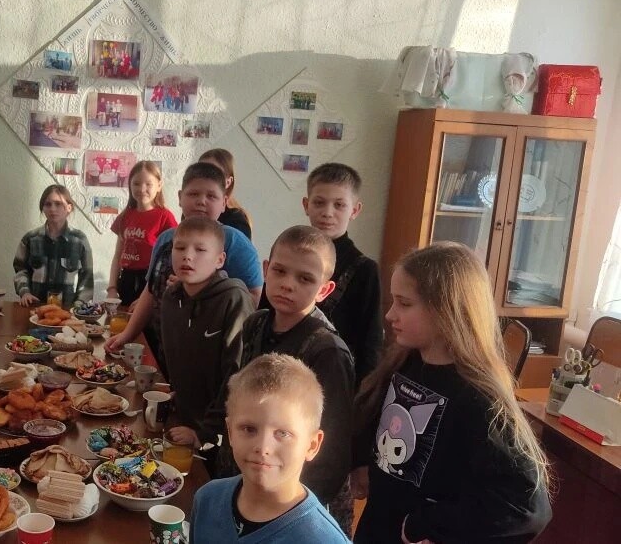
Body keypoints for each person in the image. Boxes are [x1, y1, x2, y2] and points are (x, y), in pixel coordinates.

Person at [353, 242, 552, 543]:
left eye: (404, 304)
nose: (391, 315)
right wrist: (361, 460)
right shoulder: (405, 361)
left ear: (447, 311)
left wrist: (426, 524)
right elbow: (373, 412)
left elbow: (526, 507)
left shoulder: (478, 399)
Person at [221, 226, 355, 529]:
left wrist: (284, 510)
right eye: (280, 271)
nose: (287, 284)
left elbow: (332, 452)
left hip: (297, 505)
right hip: (252, 480)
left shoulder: (327, 351)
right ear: (266, 270)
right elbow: (236, 391)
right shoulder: (255, 324)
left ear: (324, 290)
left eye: (305, 279)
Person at [106, 162, 263, 375]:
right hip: (165, 345)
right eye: (193, 194)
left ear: (224, 202)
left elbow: (253, 299)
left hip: (210, 355)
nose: (201, 201)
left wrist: (201, 290)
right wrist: (127, 334)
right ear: (180, 197)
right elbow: (150, 291)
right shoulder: (166, 239)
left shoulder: (236, 243)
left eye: (211, 196)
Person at [190, 354, 350, 543]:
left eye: (283, 433)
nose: (263, 447)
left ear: (312, 445)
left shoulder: (324, 540)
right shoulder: (207, 500)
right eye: (249, 429)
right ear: (230, 432)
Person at [158, 217, 253, 455]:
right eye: (180, 248)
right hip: (182, 418)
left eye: (200, 250)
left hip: (218, 435)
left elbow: (238, 376)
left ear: (220, 260)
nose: (187, 256)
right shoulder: (171, 298)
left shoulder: (233, 299)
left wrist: (205, 433)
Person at [303, 163, 383, 385]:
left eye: (339, 205)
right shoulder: (288, 253)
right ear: (306, 205)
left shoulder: (365, 269)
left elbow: (371, 344)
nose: (327, 213)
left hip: (335, 379)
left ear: (355, 210)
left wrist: (363, 395)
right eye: (319, 202)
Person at [106, 161, 177, 305]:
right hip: (126, 279)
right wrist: (112, 288)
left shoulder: (165, 217)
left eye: (148, 184)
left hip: (150, 281)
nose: (142, 189)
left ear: (159, 185)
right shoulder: (125, 216)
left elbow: (171, 258)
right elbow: (118, 255)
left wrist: (151, 293)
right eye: (136, 183)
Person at [13, 184, 94, 307]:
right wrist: (25, 292)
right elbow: (20, 269)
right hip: (35, 307)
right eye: (48, 204)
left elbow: (87, 277)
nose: (52, 209)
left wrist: (79, 304)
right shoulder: (30, 239)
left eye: (58, 204)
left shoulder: (79, 240)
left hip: (67, 309)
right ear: (43, 208)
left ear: (69, 208)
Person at [199, 148, 252, 239]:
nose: (205, 179)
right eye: (200, 172)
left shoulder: (236, 221)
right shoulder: (192, 209)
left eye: (214, 174)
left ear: (228, 182)